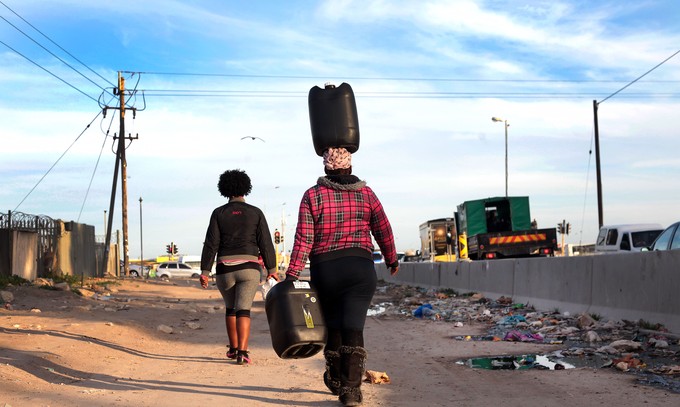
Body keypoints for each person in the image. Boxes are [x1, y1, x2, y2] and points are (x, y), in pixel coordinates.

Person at [285, 147, 399, 406]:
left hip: (326, 270)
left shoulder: (312, 195)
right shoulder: (366, 193)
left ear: (326, 168)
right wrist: (391, 258)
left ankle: (335, 378)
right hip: (360, 268)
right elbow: (383, 229)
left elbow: (304, 238)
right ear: (350, 167)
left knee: (334, 325)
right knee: (353, 326)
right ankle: (350, 389)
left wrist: (292, 273)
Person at [199, 169, 278, 365]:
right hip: (249, 268)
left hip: (225, 268)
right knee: (244, 309)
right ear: (245, 188)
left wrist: (205, 271)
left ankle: (233, 349)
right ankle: (243, 352)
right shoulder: (256, 212)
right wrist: (272, 270)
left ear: (224, 189)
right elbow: (266, 243)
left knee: (230, 308)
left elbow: (211, 244)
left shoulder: (218, 213)